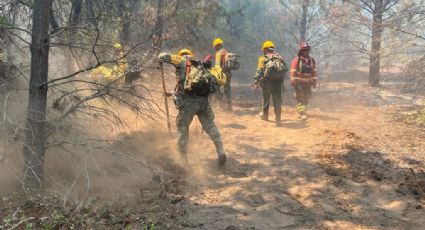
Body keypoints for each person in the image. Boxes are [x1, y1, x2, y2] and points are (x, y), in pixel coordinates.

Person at [158, 49, 227, 166]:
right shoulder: (200, 65)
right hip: (203, 102)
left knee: (182, 127)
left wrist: (160, 60)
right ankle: (220, 150)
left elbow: (162, 55)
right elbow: (185, 87)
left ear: (181, 55)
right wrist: (172, 93)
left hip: (188, 104)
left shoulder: (180, 61)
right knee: (210, 125)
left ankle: (183, 159)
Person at [253, 40, 288, 127]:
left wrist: (256, 81)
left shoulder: (263, 59)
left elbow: (259, 71)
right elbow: (285, 68)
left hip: (267, 83)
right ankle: (278, 120)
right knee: (277, 101)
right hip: (278, 83)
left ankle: (265, 116)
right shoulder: (279, 57)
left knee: (266, 100)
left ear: (265, 49)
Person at [290, 42, 317, 120]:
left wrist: (314, 82)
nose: (306, 51)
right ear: (301, 51)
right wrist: (293, 81)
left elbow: (314, 72)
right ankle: (302, 114)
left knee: (307, 97)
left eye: (308, 50)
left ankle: (303, 111)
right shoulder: (297, 60)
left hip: (308, 83)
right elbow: (293, 71)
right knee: (300, 98)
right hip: (298, 83)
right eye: (304, 50)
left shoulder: (312, 61)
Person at [213, 38, 233, 112]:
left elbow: (217, 66)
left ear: (217, 45)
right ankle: (230, 107)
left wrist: (215, 74)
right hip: (229, 73)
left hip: (222, 74)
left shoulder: (218, 53)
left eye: (215, 46)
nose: (214, 48)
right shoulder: (227, 52)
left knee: (215, 87)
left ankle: (221, 105)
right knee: (227, 89)